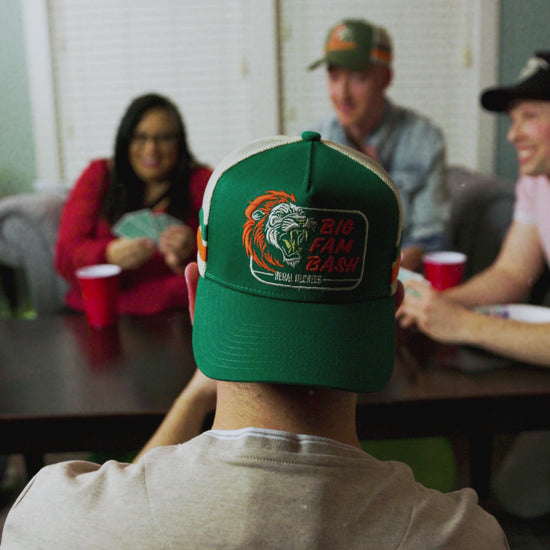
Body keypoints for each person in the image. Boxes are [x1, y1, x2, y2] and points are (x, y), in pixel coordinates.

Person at [1, 132, 508, 548]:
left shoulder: (53, 520)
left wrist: (191, 399)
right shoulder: (466, 536)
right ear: (391, 309)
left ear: (195, 297)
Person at [398, 51, 550, 519]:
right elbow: (512, 274)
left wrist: (460, 323)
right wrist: (430, 304)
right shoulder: (537, 180)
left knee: (518, 500)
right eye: (512, 118)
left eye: (529, 117)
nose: (513, 133)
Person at [308, 18, 449, 271]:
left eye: (358, 77)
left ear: (386, 78)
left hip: (397, 281)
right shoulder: (312, 143)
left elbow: (431, 239)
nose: (342, 94)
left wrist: (378, 274)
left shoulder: (425, 140)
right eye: (334, 76)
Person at [55, 93, 212, 315]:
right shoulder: (99, 176)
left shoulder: (202, 182)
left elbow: (224, 265)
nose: (151, 150)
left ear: (180, 142)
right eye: (139, 137)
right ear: (125, 140)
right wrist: (108, 255)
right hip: (96, 312)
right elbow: (64, 258)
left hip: (175, 317)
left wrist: (190, 252)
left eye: (164, 138)